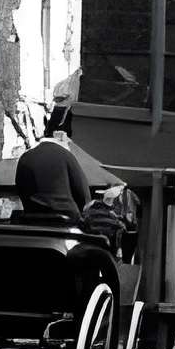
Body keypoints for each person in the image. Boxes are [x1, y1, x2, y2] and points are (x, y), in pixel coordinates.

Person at [15, 101, 131, 248]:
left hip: (32, 224)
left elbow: (21, 191)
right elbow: (83, 197)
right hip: (67, 224)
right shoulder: (66, 156)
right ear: (62, 136)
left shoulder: (25, 157)